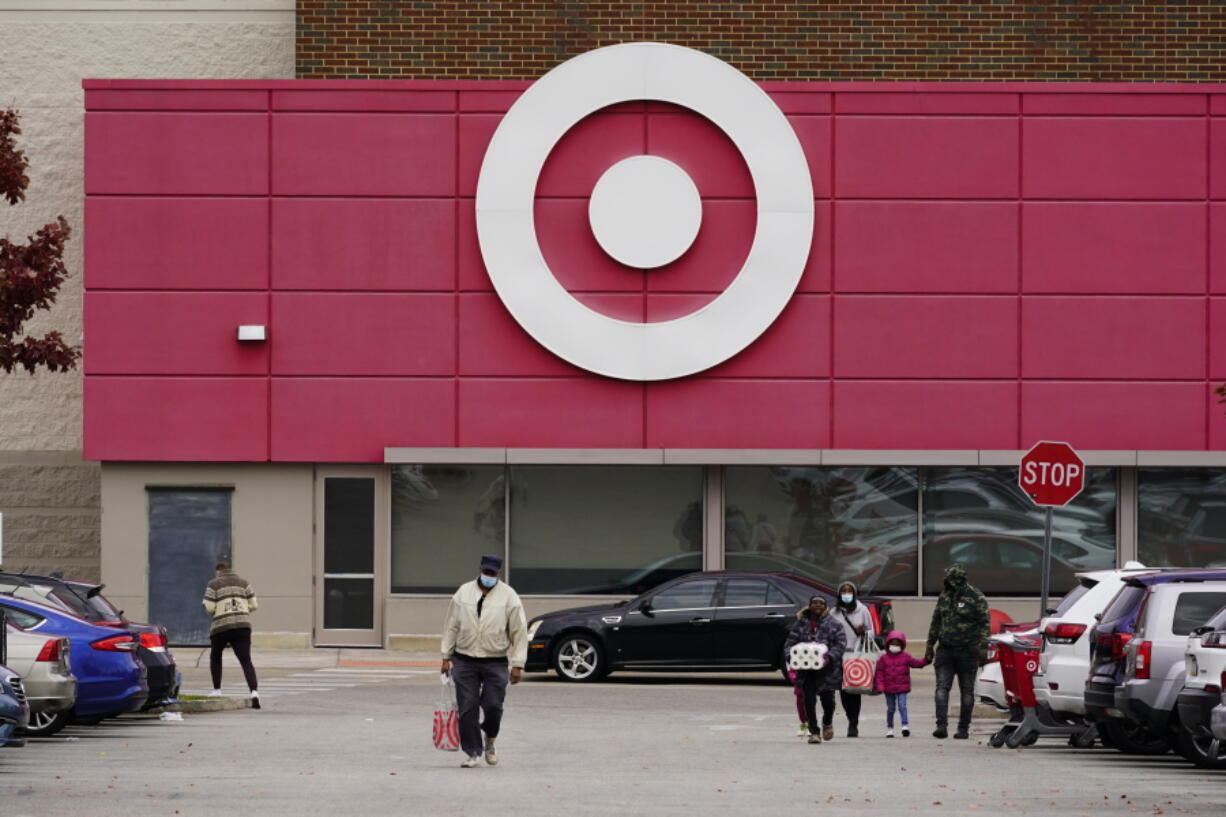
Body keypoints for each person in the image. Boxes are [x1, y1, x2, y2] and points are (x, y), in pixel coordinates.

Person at [441, 554, 528, 768]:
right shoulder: (463, 592)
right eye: (485, 571)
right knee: (467, 708)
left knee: (493, 706)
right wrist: (445, 656)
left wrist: (517, 664)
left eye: (493, 573)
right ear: (480, 569)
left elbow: (519, 631)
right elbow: (451, 625)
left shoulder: (509, 596)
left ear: (499, 573)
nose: (488, 576)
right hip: (464, 659)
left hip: (495, 660)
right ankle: (473, 752)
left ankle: (490, 739)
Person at [923, 564, 990, 739]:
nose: (951, 585)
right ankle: (941, 726)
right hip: (945, 649)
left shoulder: (976, 597)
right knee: (941, 688)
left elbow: (985, 624)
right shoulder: (944, 596)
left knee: (967, 692)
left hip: (968, 650)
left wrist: (983, 647)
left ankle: (963, 728)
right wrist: (930, 645)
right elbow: (936, 621)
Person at [783, 595, 846, 744]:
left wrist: (829, 657)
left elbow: (840, 644)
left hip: (827, 670)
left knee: (828, 702)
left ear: (825, 607)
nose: (818, 605)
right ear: (809, 605)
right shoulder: (800, 624)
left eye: (821, 603)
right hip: (806, 670)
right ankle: (814, 732)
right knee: (809, 701)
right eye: (814, 603)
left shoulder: (834, 624)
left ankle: (827, 722)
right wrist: (792, 658)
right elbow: (789, 644)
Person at [202, 561, 260, 709]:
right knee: (246, 660)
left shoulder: (213, 584)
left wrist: (215, 610)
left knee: (216, 657)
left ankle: (217, 690)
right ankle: (254, 692)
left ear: (218, 571)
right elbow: (254, 605)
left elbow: (209, 607)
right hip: (242, 627)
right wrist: (242, 611)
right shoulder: (244, 582)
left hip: (221, 627)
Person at [832, 580, 875, 737]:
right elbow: (828, 631)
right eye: (843, 591)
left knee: (854, 690)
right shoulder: (834, 612)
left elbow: (872, 633)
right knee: (843, 690)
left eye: (849, 591)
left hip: (856, 655)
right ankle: (850, 717)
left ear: (855, 594)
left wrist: (864, 631)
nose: (846, 594)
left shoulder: (863, 610)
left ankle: (854, 723)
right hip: (839, 655)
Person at [873, 630, 929, 737]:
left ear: (902, 645)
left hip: (902, 687)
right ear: (888, 644)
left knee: (902, 706)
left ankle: (905, 726)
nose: (895, 646)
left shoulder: (906, 657)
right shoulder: (883, 659)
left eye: (897, 644)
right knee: (891, 708)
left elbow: (916, 663)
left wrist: (926, 660)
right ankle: (890, 728)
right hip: (888, 688)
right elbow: (879, 673)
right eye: (893, 644)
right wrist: (880, 686)